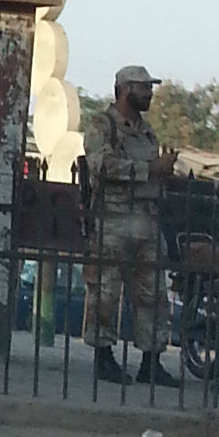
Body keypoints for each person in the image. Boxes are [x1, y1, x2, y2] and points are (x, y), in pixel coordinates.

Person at [82, 62, 176, 386]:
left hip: (147, 220)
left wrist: (163, 172)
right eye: (144, 88)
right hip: (113, 218)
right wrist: (151, 169)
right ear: (125, 90)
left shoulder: (147, 130)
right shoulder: (102, 124)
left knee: (153, 294)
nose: (150, 94)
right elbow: (103, 166)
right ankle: (103, 357)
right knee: (106, 291)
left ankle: (151, 360)